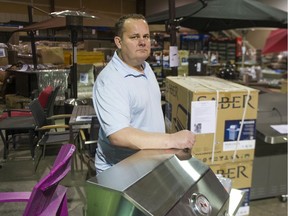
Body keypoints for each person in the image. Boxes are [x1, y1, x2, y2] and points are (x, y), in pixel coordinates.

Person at [93, 13, 195, 174]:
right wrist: (171, 139)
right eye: (134, 37)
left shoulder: (145, 67)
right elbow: (119, 135)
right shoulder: (111, 80)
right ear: (118, 42)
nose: (142, 42)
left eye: (146, 36)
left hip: (148, 163)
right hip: (121, 171)